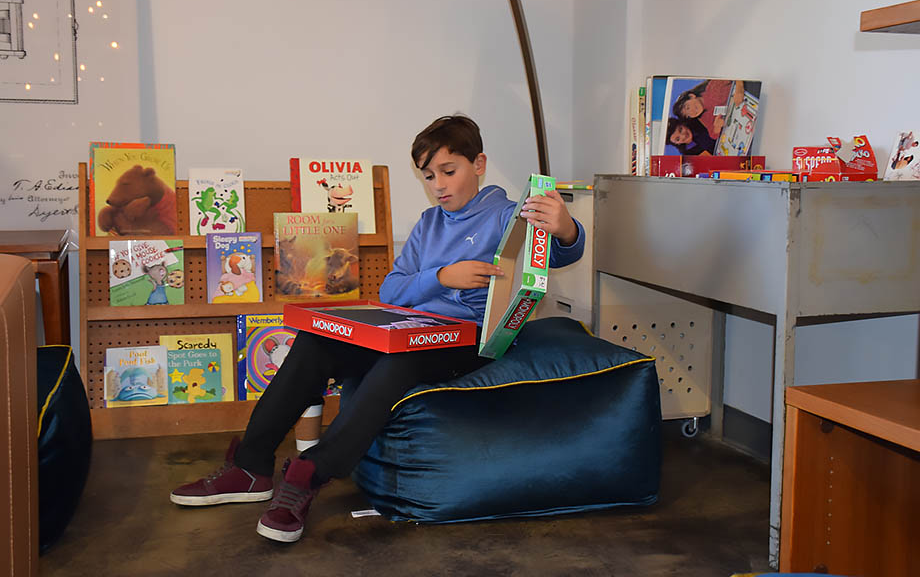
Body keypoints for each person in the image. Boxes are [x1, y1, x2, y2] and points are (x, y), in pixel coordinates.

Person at [169, 114, 586, 543]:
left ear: (478, 164)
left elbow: (558, 255)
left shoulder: (507, 216)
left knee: (397, 362)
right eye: (428, 176)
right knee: (316, 341)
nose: (438, 185)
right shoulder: (428, 223)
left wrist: (566, 228)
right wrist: (443, 277)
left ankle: (309, 474)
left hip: (469, 338)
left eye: (449, 171)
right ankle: (250, 466)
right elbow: (391, 290)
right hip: (414, 326)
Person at [672, 79, 743, 139]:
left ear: (691, 96)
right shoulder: (703, 117)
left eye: (688, 107)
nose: (692, 112)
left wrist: (739, 89)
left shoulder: (713, 86)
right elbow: (713, 134)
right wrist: (717, 127)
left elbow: (733, 72)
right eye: (688, 116)